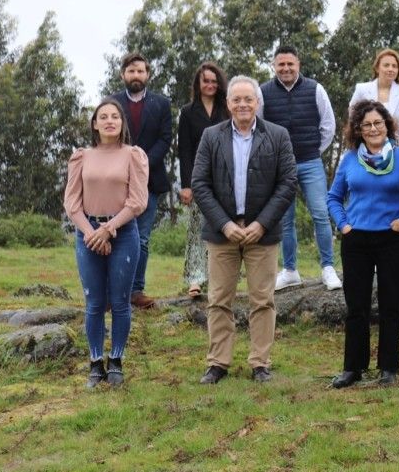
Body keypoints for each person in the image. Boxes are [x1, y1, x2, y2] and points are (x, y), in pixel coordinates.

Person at [192, 76, 298, 384]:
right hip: (221, 232)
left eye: (248, 99)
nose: (242, 105)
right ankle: (218, 362)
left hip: (261, 233)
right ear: (228, 104)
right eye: (236, 100)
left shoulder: (278, 136)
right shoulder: (211, 136)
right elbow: (200, 183)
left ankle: (260, 363)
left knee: (262, 300)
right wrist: (224, 224)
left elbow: (288, 183)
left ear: (257, 103)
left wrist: (260, 224)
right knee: (219, 299)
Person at [326, 100, 399, 388]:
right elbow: (333, 197)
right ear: (358, 131)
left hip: (393, 239)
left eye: (378, 123)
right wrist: (343, 224)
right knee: (356, 306)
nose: (373, 128)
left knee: (391, 304)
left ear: (387, 126)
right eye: (367, 125)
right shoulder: (350, 160)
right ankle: (353, 368)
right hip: (357, 240)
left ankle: (389, 367)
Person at [63, 99, 149, 388]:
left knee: (121, 301)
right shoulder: (81, 157)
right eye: (103, 116)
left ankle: (116, 361)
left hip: (122, 233)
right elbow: (72, 203)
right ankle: (95, 363)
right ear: (95, 124)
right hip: (87, 233)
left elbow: (137, 201)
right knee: (94, 303)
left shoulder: (133, 155)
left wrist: (109, 229)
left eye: (115, 116)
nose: (110, 120)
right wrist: (92, 233)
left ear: (122, 123)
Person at [259, 45, 341, 291]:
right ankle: (291, 270)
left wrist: (314, 150)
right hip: (279, 167)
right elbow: (260, 128)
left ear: (298, 65)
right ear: (274, 66)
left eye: (290, 64)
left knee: (320, 214)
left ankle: (328, 268)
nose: (285, 68)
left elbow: (328, 126)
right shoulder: (263, 92)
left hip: (310, 162)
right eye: (281, 64)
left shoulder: (315, 89)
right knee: (285, 220)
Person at [110, 52, 172, 309]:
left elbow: (165, 139)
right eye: (131, 71)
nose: (136, 76)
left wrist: (142, 163)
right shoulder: (111, 103)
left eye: (141, 71)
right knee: (114, 235)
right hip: (115, 179)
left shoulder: (161, 103)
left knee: (141, 238)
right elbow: (106, 135)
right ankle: (113, 293)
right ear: (123, 74)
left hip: (150, 180)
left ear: (148, 74)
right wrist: (125, 163)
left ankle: (136, 291)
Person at [177, 63, 229, 298]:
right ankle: (195, 279)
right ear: (198, 84)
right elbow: (184, 150)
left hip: (226, 176)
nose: (210, 85)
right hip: (199, 177)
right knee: (197, 228)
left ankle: (220, 277)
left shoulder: (227, 109)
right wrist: (186, 184)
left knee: (224, 227)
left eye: (214, 81)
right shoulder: (188, 112)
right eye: (205, 81)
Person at [349, 48, 399, 148]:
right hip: (366, 148)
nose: (390, 69)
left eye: (394, 66)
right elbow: (352, 117)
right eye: (386, 65)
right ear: (377, 68)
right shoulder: (361, 89)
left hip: (396, 148)